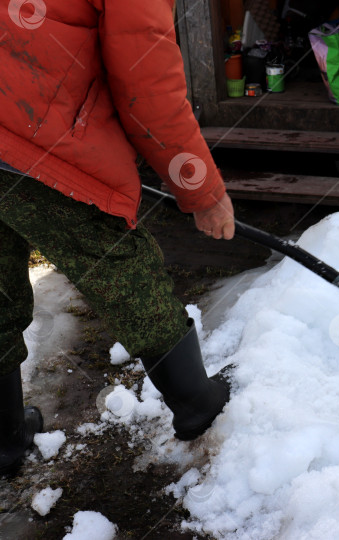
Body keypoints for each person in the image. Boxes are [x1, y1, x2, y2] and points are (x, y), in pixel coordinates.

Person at [0, 0, 235, 477]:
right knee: (123, 269)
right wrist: (203, 193)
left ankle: (3, 441)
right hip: (34, 140)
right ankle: (198, 405)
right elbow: (148, 90)